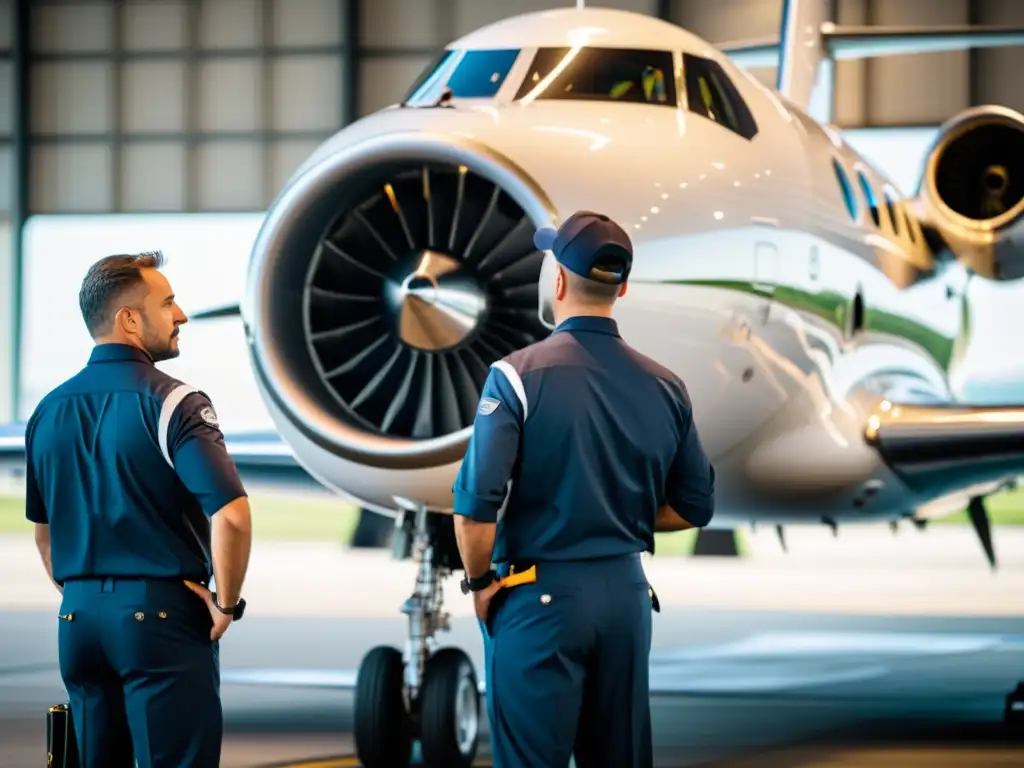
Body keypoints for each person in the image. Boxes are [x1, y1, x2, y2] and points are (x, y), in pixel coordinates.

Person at [451, 211, 715, 767]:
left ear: (561, 282)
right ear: (621, 287)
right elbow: (695, 505)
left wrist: (479, 584)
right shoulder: (666, 385)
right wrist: (622, 518)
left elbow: (475, 508)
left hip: (538, 599)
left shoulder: (517, 376)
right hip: (626, 598)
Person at [23, 251, 253, 768]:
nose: (182, 315)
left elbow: (44, 534)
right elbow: (232, 514)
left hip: (77, 620)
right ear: (130, 319)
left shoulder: (47, 410)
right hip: (158, 619)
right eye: (168, 302)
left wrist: (86, 592)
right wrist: (227, 604)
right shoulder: (174, 402)